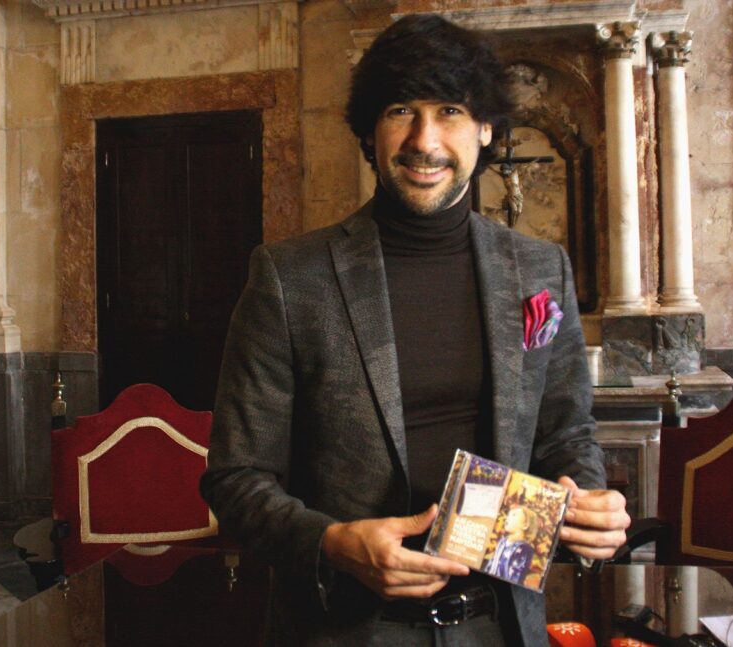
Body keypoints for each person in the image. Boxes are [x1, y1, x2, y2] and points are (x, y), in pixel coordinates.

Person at [201, 13, 630, 647]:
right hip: (347, 631)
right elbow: (235, 479)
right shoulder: (290, 278)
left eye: (450, 111)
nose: (424, 140)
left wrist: (588, 501)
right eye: (401, 110)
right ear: (369, 131)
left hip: (501, 626)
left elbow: (566, 434)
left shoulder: (541, 270)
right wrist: (332, 542)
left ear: (485, 128)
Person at [487, 505, 540, 585]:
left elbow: (516, 576)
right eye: (509, 515)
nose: (508, 517)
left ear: (525, 525)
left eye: (514, 515)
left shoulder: (524, 549)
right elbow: (492, 563)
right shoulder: (502, 542)